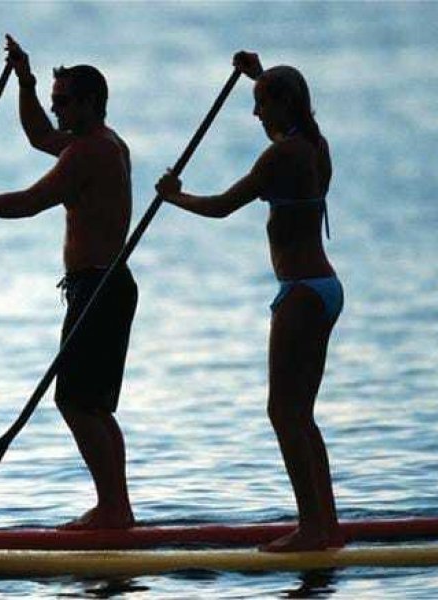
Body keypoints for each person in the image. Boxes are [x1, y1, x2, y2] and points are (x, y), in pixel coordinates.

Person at [0, 35, 138, 530]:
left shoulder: (89, 152)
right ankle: (118, 509)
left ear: (91, 102)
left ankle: (113, 511)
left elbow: (27, 203)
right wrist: (25, 82)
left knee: (76, 402)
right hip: (102, 288)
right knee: (90, 404)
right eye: (54, 103)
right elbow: (35, 135)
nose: (55, 112)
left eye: (63, 102)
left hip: (99, 289)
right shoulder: (101, 142)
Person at [156, 51, 345, 552]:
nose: (255, 115)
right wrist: (261, 75)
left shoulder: (281, 156)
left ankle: (311, 530)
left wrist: (174, 196)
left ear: (285, 103)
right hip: (324, 287)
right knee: (300, 414)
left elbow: (220, 207)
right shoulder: (315, 144)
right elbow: (295, 101)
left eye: (262, 104)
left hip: (302, 292)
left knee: (283, 412)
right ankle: (327, 525)